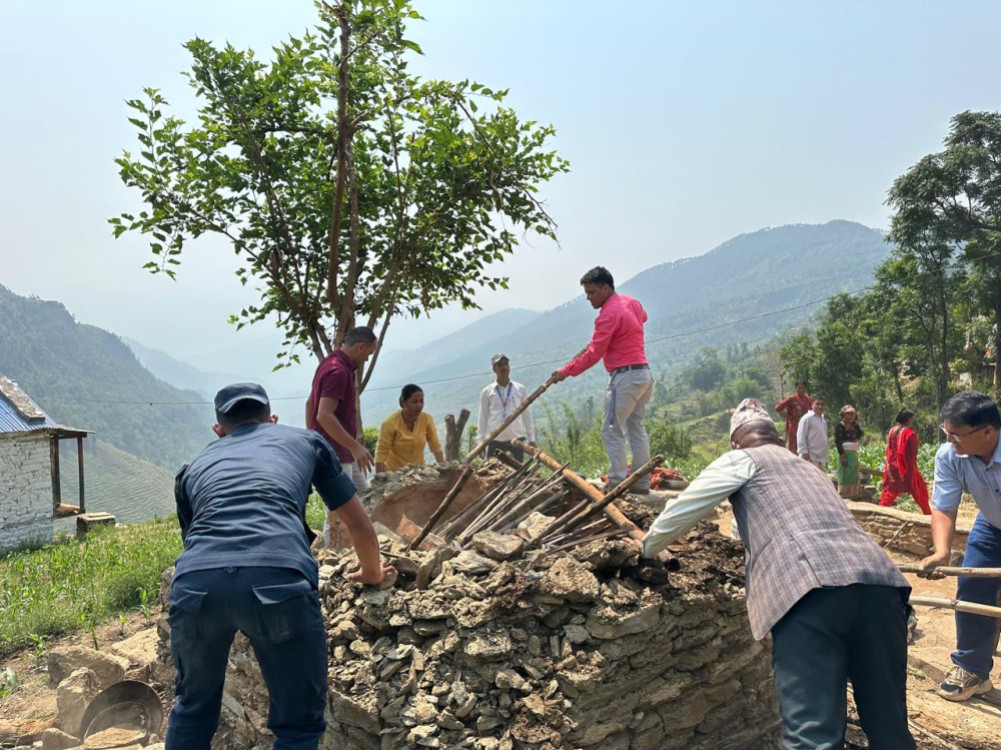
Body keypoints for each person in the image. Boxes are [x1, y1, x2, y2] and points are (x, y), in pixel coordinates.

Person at [641, 399, 914, 749]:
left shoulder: (741, 459)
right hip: (880, 584)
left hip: (808, 592)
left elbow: (683, 510)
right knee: (890, 726)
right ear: (777, 438)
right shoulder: (810, 470)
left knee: (813, 736)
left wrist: (645, 549)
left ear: (736, 442)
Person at [166, 383, 392, 750]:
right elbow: (359, 525)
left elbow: (197, 543)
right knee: (298, 728)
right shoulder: (305, 442)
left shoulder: (194, 468)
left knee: (192, 710)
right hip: (278, 579)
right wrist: (371, 573)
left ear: (218, 429)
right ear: (272, 419)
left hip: (196, 586)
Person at [920, 391, 1001, 701]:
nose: (949, 439)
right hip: (992, 524)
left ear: (988, 432)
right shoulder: (950, 455)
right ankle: (972, 670)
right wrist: (941, 552)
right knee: (971, 580)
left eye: (957, 434)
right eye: (946, 432)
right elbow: (944, 507)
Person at [551, 266, 653, 493]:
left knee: (611, 430)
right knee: (635, 427)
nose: (588, 298)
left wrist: (565, 371)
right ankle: (642, 482)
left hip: (624, 377)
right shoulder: (631, 302)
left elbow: (593, 355)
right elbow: (642, 318)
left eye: (592, 292)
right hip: (643, 374)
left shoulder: (607, 315)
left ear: (605, 288)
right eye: (586, 293)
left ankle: (617, 481)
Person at [306, 326, 378, 546]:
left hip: (342, 450)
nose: (366, 359)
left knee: (365, 498)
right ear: (360, 347)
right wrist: (355, 447)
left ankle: (362, 548)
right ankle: (333, 557)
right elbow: (324, 415)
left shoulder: (328, 364)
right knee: (337, 512)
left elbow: (310, 404)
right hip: (336, 452)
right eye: (368, 354)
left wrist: (313, 437)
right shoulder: (338, 371)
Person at [478, 353, 536, 462]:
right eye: (499, 365)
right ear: (494, 369)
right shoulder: (487, 392)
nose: (503, 367)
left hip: (516, 442)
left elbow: (527, 416)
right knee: (492, 475)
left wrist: (531, 439)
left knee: (517, 475)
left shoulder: (520, 389)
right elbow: (483, 418)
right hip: (495, 442)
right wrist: (481, 443)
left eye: (506, 364)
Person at [374, 384, 444, 472]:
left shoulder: (426, 419)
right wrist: (380, 477)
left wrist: (443, 468)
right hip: (394, 474)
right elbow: (381, 453)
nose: (419, 405)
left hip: (418, 472)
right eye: (415, 402)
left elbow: (435, 446)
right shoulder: (390, 423)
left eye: (421, 401)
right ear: (403, 402)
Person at [879, 408, 931, 514]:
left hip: (892, 466)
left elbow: (890, 448)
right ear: (908, 419)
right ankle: (927, 513)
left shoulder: (892, 431)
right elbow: (913, 451)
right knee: (919, 490)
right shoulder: (909, 433)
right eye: (912, 418)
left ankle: (880, 510)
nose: (913, 420)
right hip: (906, 467)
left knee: (890, 492)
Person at [775, 380, 813, 454]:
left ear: (806, 388)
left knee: (807, 448)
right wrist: (788, 417)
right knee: (794, 448)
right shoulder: (791, 399)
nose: (801, 390)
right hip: (795, 426)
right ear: (796, 388)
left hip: (807, 427)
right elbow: (778, 408)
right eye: (799, 388)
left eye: (803, 388)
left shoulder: (809, 399)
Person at [834, 404, 863, 499]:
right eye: (848, 414)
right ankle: (844, 494)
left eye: (852, 414)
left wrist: (854, 427)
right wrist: (842, 454)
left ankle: (854, 494)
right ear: (843, 415)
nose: (850, 416)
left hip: (853, 453)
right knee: (844, 473)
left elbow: (860, 435)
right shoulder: (840, 426)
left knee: (853, 472)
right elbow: (838, 441)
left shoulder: (855, 426)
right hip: (845, 452)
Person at [796, 396, 829, 470]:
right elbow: (801, 435)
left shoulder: (823, 420)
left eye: (822, 404)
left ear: (825, 407)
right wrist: (804, 452)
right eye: (817, 404)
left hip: (819, 458)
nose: (820, 406)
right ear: (812, 405)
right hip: (809, 457)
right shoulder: (807, 418)